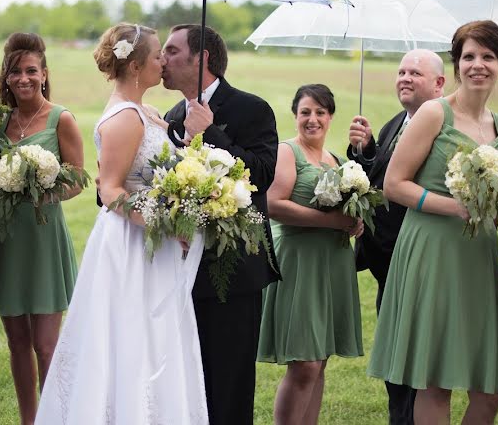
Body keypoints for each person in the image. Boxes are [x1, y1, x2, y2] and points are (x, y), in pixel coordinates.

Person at [37, 23, 209, 424]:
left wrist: (195, 137)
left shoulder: (147, 112)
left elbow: (171, 169)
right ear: (134, 66)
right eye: (156, 56)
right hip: (132, 245)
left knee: (158, 339)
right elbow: (111, 189)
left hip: (153, 244)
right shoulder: (125, 118)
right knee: (130, 338)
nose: (163, 61)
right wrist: (163, 223)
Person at [368, 20, 498, 424]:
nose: (477, 65)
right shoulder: (434, 114)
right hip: (431, 249)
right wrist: (454, 207)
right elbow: (394, 185)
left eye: (488, 56)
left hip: (478, 256)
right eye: (468, 56)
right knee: (434, 381)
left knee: (488, 391)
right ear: (456, 65)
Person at [161, 23, 280, 425]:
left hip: (234, 270)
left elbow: (262, 174)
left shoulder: (252, 108)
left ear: (202, 59)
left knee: (228, 385)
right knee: (186, 383)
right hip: (179, 268)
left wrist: (209, 133)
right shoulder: (171, 115)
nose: (162, 59)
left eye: (172, 51)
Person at [346, 49, 445, 424]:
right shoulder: (396, 123)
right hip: (387, 262)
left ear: (439, 84)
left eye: (415, 73)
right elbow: (382, 178)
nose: (404, 77)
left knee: (416, 364)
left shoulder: (441, 129)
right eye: (401, 71)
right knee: (395, 362)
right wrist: (367, 149)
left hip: (417, 260)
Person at [257, 84, 364, 425]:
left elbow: (349, 210)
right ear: (295, 116)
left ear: (331, 117)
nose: (312, 119)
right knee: (304, 364)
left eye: (320, 112)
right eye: (305, 112)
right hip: (299, 263)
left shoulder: (339, 161)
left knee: (319, 363)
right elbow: (273, 205)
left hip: (332, 264)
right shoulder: (288, 152)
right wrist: (332, 221)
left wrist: (355, 223)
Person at [0, 33, 84, 425]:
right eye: (16, 72)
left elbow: (78, 178)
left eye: (32, 71)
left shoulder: (61, 118)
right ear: (7, 77)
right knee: (17, 343)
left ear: (44, 74)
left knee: (46, 345)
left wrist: (44, 193)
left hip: (45, 238)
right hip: (8, 239)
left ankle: (54, 418)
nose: (24, 78)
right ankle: (28, 419)